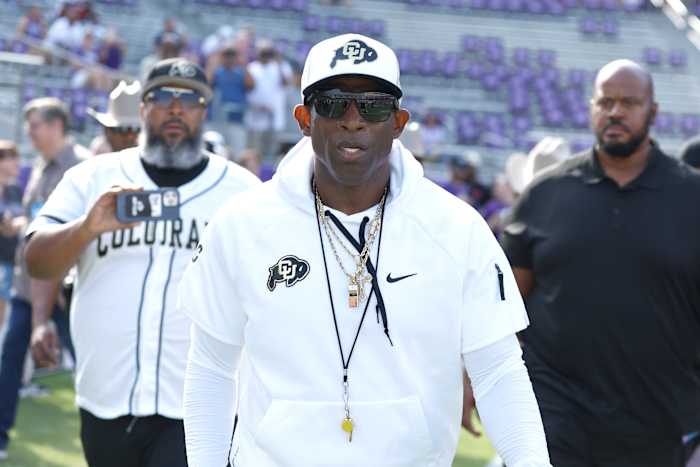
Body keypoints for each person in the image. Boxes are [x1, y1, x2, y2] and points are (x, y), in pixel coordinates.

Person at [178, 33, 551, 467]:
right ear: (303, 117)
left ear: (398, 122)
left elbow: (498, 370)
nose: (352, 120)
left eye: (373, 105)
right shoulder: (241, 225)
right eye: (333, 103)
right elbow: (210, 367)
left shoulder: (456, 228)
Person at [24, 58, 260, 467]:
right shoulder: (93, 177)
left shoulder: (242, 192)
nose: (175, 107)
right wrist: (85, 229)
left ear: (204, 110)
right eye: (163, 96)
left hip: (199, 402)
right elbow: (36, 261)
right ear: (144, 106)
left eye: (189, 99)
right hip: (106, 394)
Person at [501, 59, 700, 466]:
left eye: (629, 102)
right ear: (592, 108)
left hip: (657, 416)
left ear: (653, 112)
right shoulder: (545, 194)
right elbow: (503, 305)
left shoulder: (691, 197)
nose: (615, 112)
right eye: (605, 101)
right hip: (555, 404)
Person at [0, 97, 89, 461]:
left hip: (66, 289)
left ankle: (106, 435)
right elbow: (42, 220)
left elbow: (86, 230)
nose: (30, 134)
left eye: (35, 125)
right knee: (10, 359)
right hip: (27, 285)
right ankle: (1, 435)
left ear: (56, 126)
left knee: (89, 362)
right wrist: (20, 226)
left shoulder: (83, 168)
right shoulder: (39, 166)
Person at [244, 39, 293, 159]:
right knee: (255, 153)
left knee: (271, 154)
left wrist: (278, 60)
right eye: (263, 52)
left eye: (268, 52)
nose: (265, 55)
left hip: (274, 118)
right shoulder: (252, 68)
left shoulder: (280, 66)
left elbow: (286, 83)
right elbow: (247, 89)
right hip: (255, 117)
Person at [0, 141, 24, 332]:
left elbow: (24, 217)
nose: (18, 162)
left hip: (9, 261)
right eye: (11, 157)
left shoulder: (15, 189)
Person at [87, 80, 141, 155]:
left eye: (136, 129)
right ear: (107, 131)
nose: (130, 137)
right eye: (123, 130)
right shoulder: (99, 159)